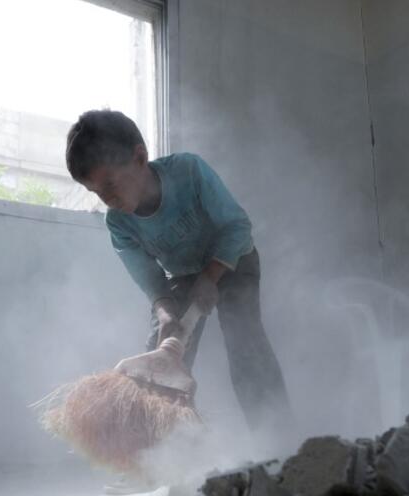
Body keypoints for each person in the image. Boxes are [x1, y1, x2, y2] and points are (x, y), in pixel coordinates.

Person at [64, 109, 293, 439]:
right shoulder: (119, 223)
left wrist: (211, 275)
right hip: (183, 276)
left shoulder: (189, 171)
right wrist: (164, 309)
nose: (108, 200)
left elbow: (237, 226)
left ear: (140, 158)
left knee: (247, 345)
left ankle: (279, 440)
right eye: (97, 193)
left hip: (233, 260)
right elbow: (149, 278)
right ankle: (151, 454)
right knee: (158, 353)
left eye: (110, 185)